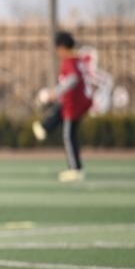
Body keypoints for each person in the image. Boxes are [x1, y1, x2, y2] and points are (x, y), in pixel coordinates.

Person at [32, 31, 93, 182]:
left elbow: (72, 79)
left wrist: (55, 92)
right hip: (79, 101)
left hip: (74, 103)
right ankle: (45, 127)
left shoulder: (69, 61)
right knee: (64, 120)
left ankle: (75, 169)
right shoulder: (77, 60)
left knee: (68, 135)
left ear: (62, 47)